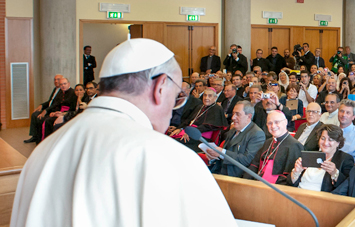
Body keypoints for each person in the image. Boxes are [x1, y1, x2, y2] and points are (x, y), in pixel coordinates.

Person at [12, 38, 238, 226]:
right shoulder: (167, 157)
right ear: (160, 87)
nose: (173, 110)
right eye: (177, 96)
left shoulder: (45, 149)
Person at [202, 100, 266, 177]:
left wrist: (222, 153)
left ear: (249, 116)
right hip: (219, 171)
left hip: (237, 176)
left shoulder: (257, 134)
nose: (233, 117)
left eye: (237, 114)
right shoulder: (233, 130)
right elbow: (225, 153)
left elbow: (247, 160)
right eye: (233, 114)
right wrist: (214, 156)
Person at [289, 124, 354, 192]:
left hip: (321, 199)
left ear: (338, 143)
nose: (325, 143)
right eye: (323, 138)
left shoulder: (345, 159)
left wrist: (335, 173)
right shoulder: (311, 154)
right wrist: (296, 172)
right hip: (297, 194)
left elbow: (348, 186)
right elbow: (290, 183)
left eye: (330, 140)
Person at [245, 111, 303, 184]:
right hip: (257, 184)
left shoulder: (295, 146)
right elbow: (254, 165)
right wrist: (245, 182)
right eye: (269, 123)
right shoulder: (267, 142)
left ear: (285, 122)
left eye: (277, 122)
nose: (273, 126)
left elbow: (289, 178)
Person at [168, 87, 228, 152]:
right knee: (169, 138)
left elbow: (208, 126)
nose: (206, 98)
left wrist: (191, 132)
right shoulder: (200, 106)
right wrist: (180, 128)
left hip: (201, 138)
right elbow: (189, 120)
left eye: (210, 96)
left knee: (175, 144)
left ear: (215, 98)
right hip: (190, 133)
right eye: (205, 95)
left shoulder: (217, 109)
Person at [26, 77, 77, 143]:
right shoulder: (61, 93)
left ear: (69, 84)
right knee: (41, 118)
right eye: (61, 84)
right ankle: (39, 140)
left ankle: (49, 142)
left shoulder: (73, 93)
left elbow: (72, 108)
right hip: (58, 111)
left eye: (64, 84)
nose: (63, 86)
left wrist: (61, 113)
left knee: (47, 120)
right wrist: (54, 112)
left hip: (66, 113)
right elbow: (56, 103)